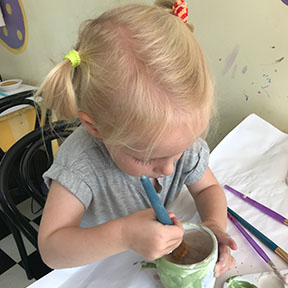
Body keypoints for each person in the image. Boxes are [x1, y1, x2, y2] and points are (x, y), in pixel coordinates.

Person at [37, 0, 237, 278]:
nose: (168, 169)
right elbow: (51, 249)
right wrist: (124, 235)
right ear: (95, 128)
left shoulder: (176, 140)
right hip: (97, 269)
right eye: (146, 158)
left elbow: (207, 190)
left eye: (179, 151)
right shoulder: (81, 163)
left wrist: (214, 226)